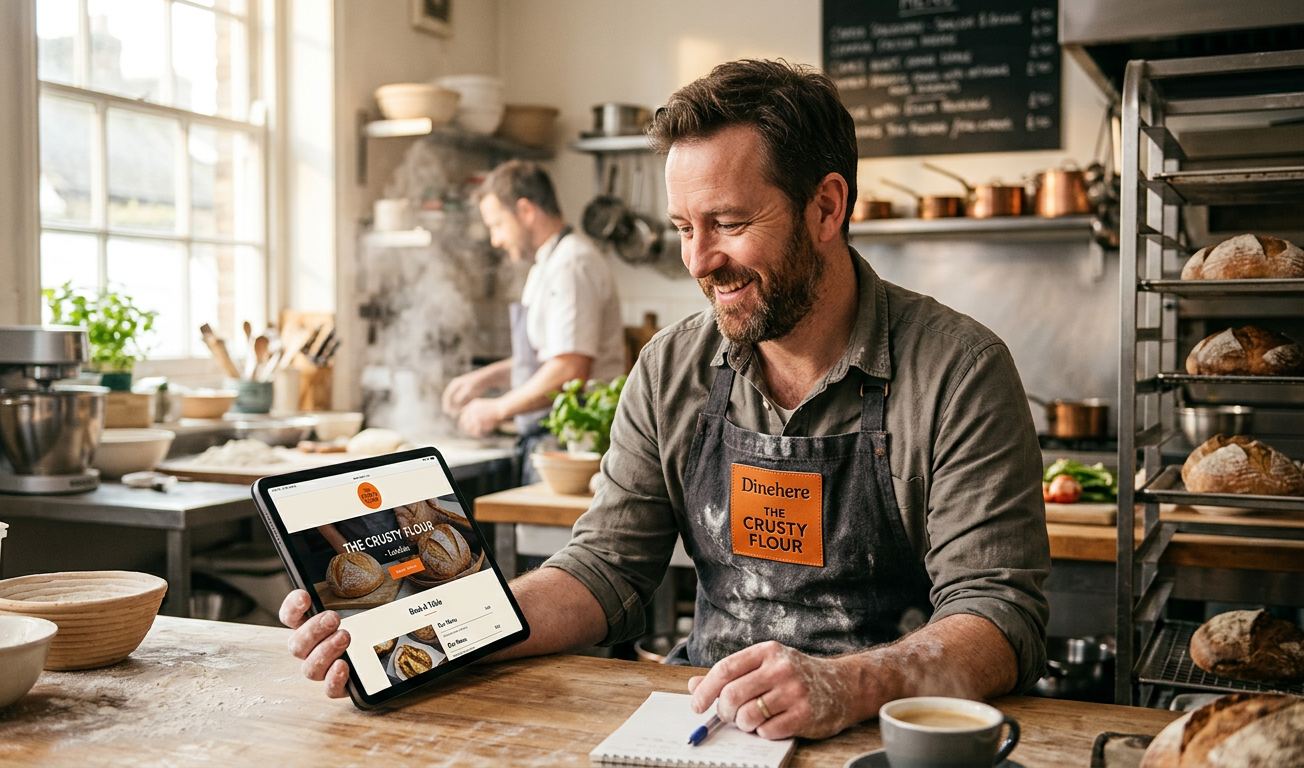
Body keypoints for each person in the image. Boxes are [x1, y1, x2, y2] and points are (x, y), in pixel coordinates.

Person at [282, 60, 1050, 741]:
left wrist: (843, 684)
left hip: (896, 740)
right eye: (685, 226)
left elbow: (1000, 618)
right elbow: (605, 567)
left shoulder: (959, 370)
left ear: (826, 207)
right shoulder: (673, 366)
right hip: (714, 730)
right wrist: (437, 628)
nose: (700, 260)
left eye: (730, 223)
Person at [440, 161, 624, 481]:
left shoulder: (572, 264)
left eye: (497, 225)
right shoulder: (546, 266)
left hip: (571, 445)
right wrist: (484, 379)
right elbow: (545, 359)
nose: (495, 240)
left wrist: (496, 409)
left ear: (525, 211)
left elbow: (569, 369)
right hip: (548, 439)